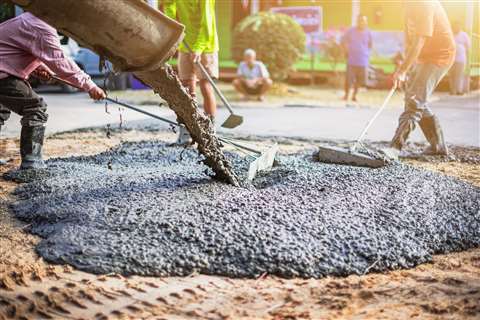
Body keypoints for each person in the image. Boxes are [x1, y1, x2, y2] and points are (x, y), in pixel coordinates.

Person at [0, 13, 106, 169]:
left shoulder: (30, 19)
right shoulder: (42, 26)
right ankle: (31, 163)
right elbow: (61, 62)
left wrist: (38, 67)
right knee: (35, 107)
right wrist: (90, 85)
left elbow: (13, 50)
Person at [382, 0, 455, 160]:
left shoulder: (424, 4)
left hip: (439, 56)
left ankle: (395, 148)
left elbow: (420, 40)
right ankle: (438, 146)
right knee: (415, 98)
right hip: (424, 58)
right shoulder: (408, 6)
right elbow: (411, 39)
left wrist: (402, 71)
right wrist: (405, 65)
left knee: (415, 100)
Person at [164, 0, 219, 144]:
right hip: (185, 44)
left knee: (205, 86)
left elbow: (206, 25)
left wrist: (198, 48)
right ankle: (188, 130)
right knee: (187, 89)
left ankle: (210, 132)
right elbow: (169, 4)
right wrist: (171, 20)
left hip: (206, 46)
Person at [341, 14, 373, 103]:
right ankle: (346, 95)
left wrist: (366, 54)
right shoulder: (350, 31)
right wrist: (345, 52)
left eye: (363, 20)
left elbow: (370, 45)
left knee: (360, 81)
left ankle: (354, 96)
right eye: (360, 20)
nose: (361, 22)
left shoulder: (368, 33)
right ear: (357, 21)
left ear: (366, 22)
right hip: (351, 60)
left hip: (363, 61)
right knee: (348, 80)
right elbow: (343, 41)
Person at [449, 21, 471, 95]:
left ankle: (458, 90)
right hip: (451, 58)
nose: (456, 28)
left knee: (458, 75)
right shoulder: (451, 34)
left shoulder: (464, 35)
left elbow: (468, 46)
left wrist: (467, 58)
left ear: (460, 27)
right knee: (451, 75)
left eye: (458, 26)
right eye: (455, 26)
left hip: (461, 58)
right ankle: (452, 91)